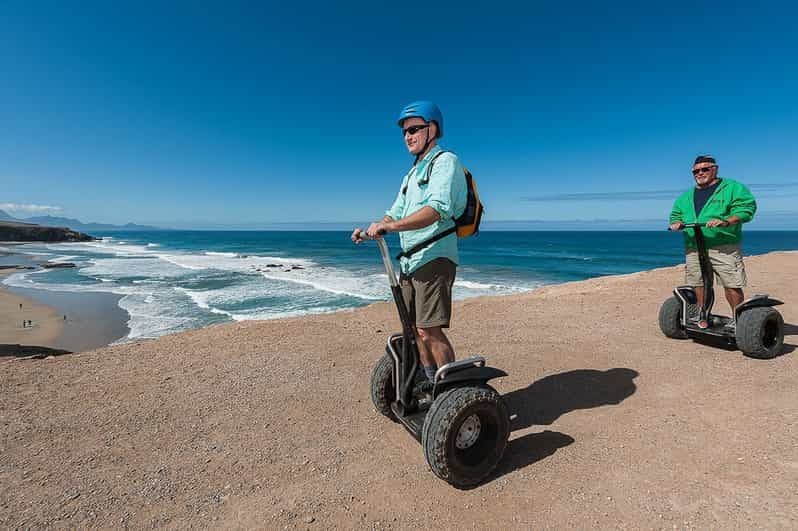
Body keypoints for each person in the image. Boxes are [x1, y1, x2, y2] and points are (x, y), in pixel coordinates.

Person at [352, 101, 467, 386]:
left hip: (435, 256)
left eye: (414, 129)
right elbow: (394, 211)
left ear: (433, 129)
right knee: (414, 330)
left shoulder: (445, 162)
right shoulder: (411, 175)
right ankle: (430, 382)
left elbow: (436, 210)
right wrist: (373, 229)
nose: (408, 136)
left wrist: (390, 226)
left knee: (429, 329)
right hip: (410, 260)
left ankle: (450, 390)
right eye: (405, 132)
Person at [669, 155, 757, 320]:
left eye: (705, 169)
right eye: (696, 171)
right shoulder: (686, 196)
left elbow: (746, 208)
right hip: (694, 246)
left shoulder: (732, 188)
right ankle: (702, 314)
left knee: (731, 283)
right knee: (698, 282)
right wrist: (676, 222)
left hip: (723, 246)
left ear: (715, 169)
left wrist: (726, 221)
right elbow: (676, 214)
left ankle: (739, 320)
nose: (700, 173)